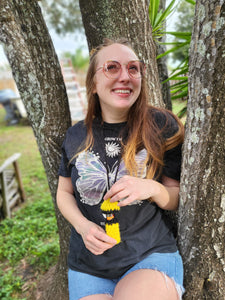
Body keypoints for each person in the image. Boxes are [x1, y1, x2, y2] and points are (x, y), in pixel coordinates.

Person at [57, 38, 185, 300]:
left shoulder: (161, 125)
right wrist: (82, 226)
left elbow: (176, 197)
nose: (125, 76)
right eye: (112, 68)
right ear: (93, 83)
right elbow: (64, 193)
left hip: (149, 256)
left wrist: (150, 187)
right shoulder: (75, 135)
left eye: (133, 68)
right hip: (88, 267)